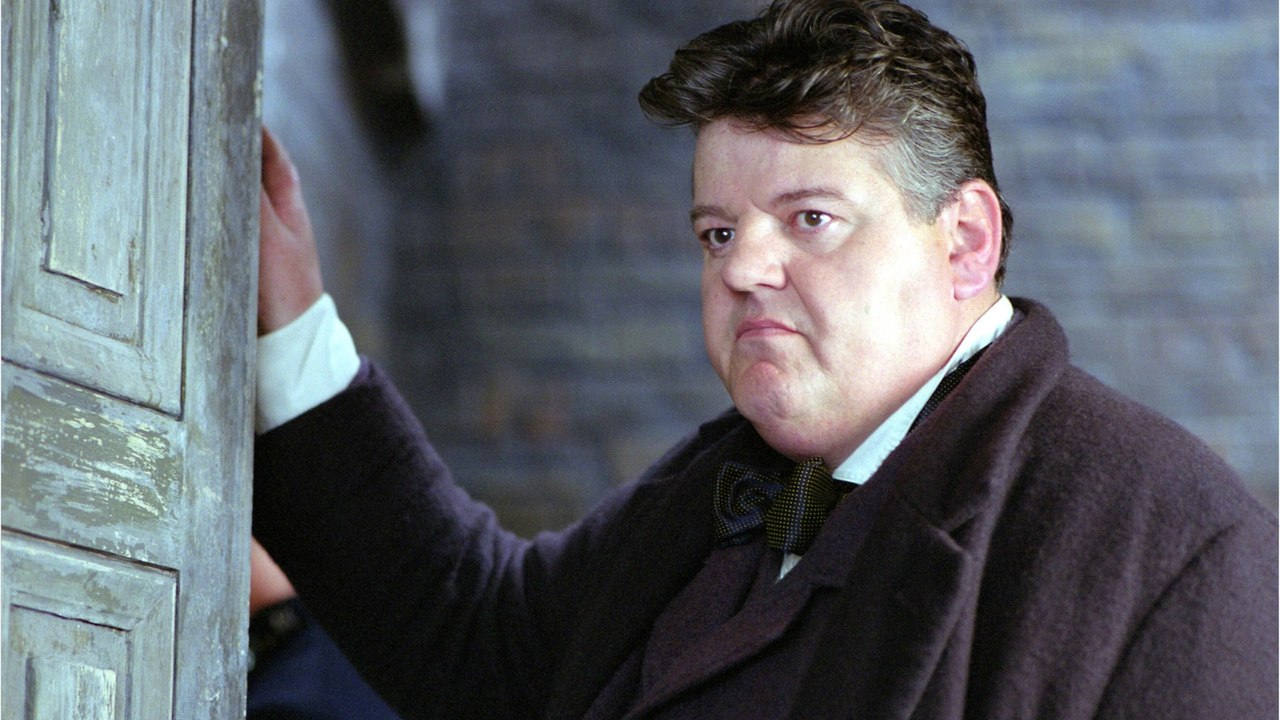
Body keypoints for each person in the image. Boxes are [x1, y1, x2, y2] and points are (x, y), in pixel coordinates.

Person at [252, 1, 1278, 718]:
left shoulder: (1172, 541)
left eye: (810, 218)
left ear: (965, 241)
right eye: (717, 232)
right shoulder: (717, 487)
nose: (741, 268)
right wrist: (290, 323)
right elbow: (477, 639)